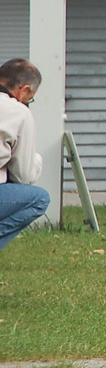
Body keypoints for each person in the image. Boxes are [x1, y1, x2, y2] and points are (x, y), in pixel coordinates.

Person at [0, 59, 49, 252]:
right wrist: (36, 159)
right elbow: (23, 175)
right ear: (24, 90)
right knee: (39, 199)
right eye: (31, 98)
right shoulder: (18, 112)